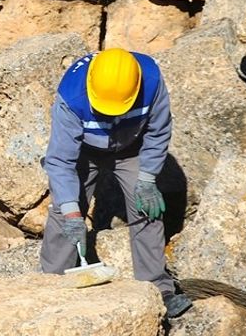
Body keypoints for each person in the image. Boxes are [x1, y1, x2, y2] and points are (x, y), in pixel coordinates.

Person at [40, 48, 192, 319]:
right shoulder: (72, 94)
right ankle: (50, 285)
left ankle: (158, 289)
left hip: (131, 147)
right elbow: (61, 161)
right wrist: (73, 212)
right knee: (64, 212)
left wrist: (147, 179)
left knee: (147, 207)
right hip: (85, 151)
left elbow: (158, 132)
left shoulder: (151, 80)